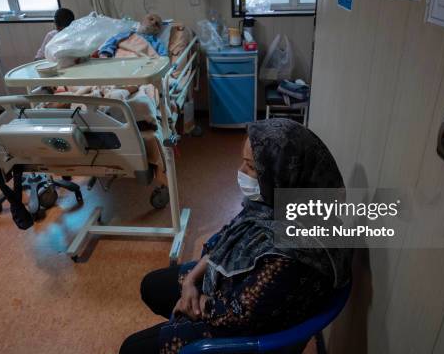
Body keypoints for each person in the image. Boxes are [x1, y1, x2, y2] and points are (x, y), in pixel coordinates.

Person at [120, 118, 352, 354]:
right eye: (243, 162)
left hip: (240, 330)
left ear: (281, 173)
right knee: (152, 285)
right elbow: (225, 239)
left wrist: (193, 306)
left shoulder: (292, 255)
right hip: (236, 288)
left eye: (251, 167)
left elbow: (236, 317)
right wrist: (191, 281)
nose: (241, 172)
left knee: (132, 349)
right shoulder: (273, 204)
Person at [98, 13, 167, 58]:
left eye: (157, 24)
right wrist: (105, 54)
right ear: (142, 21)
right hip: (121, 61)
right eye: (151, 19)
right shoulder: (127, 34)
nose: (153, 22)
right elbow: (110, 43)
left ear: (157, 30)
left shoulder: (157, 42)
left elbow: (164, 59)